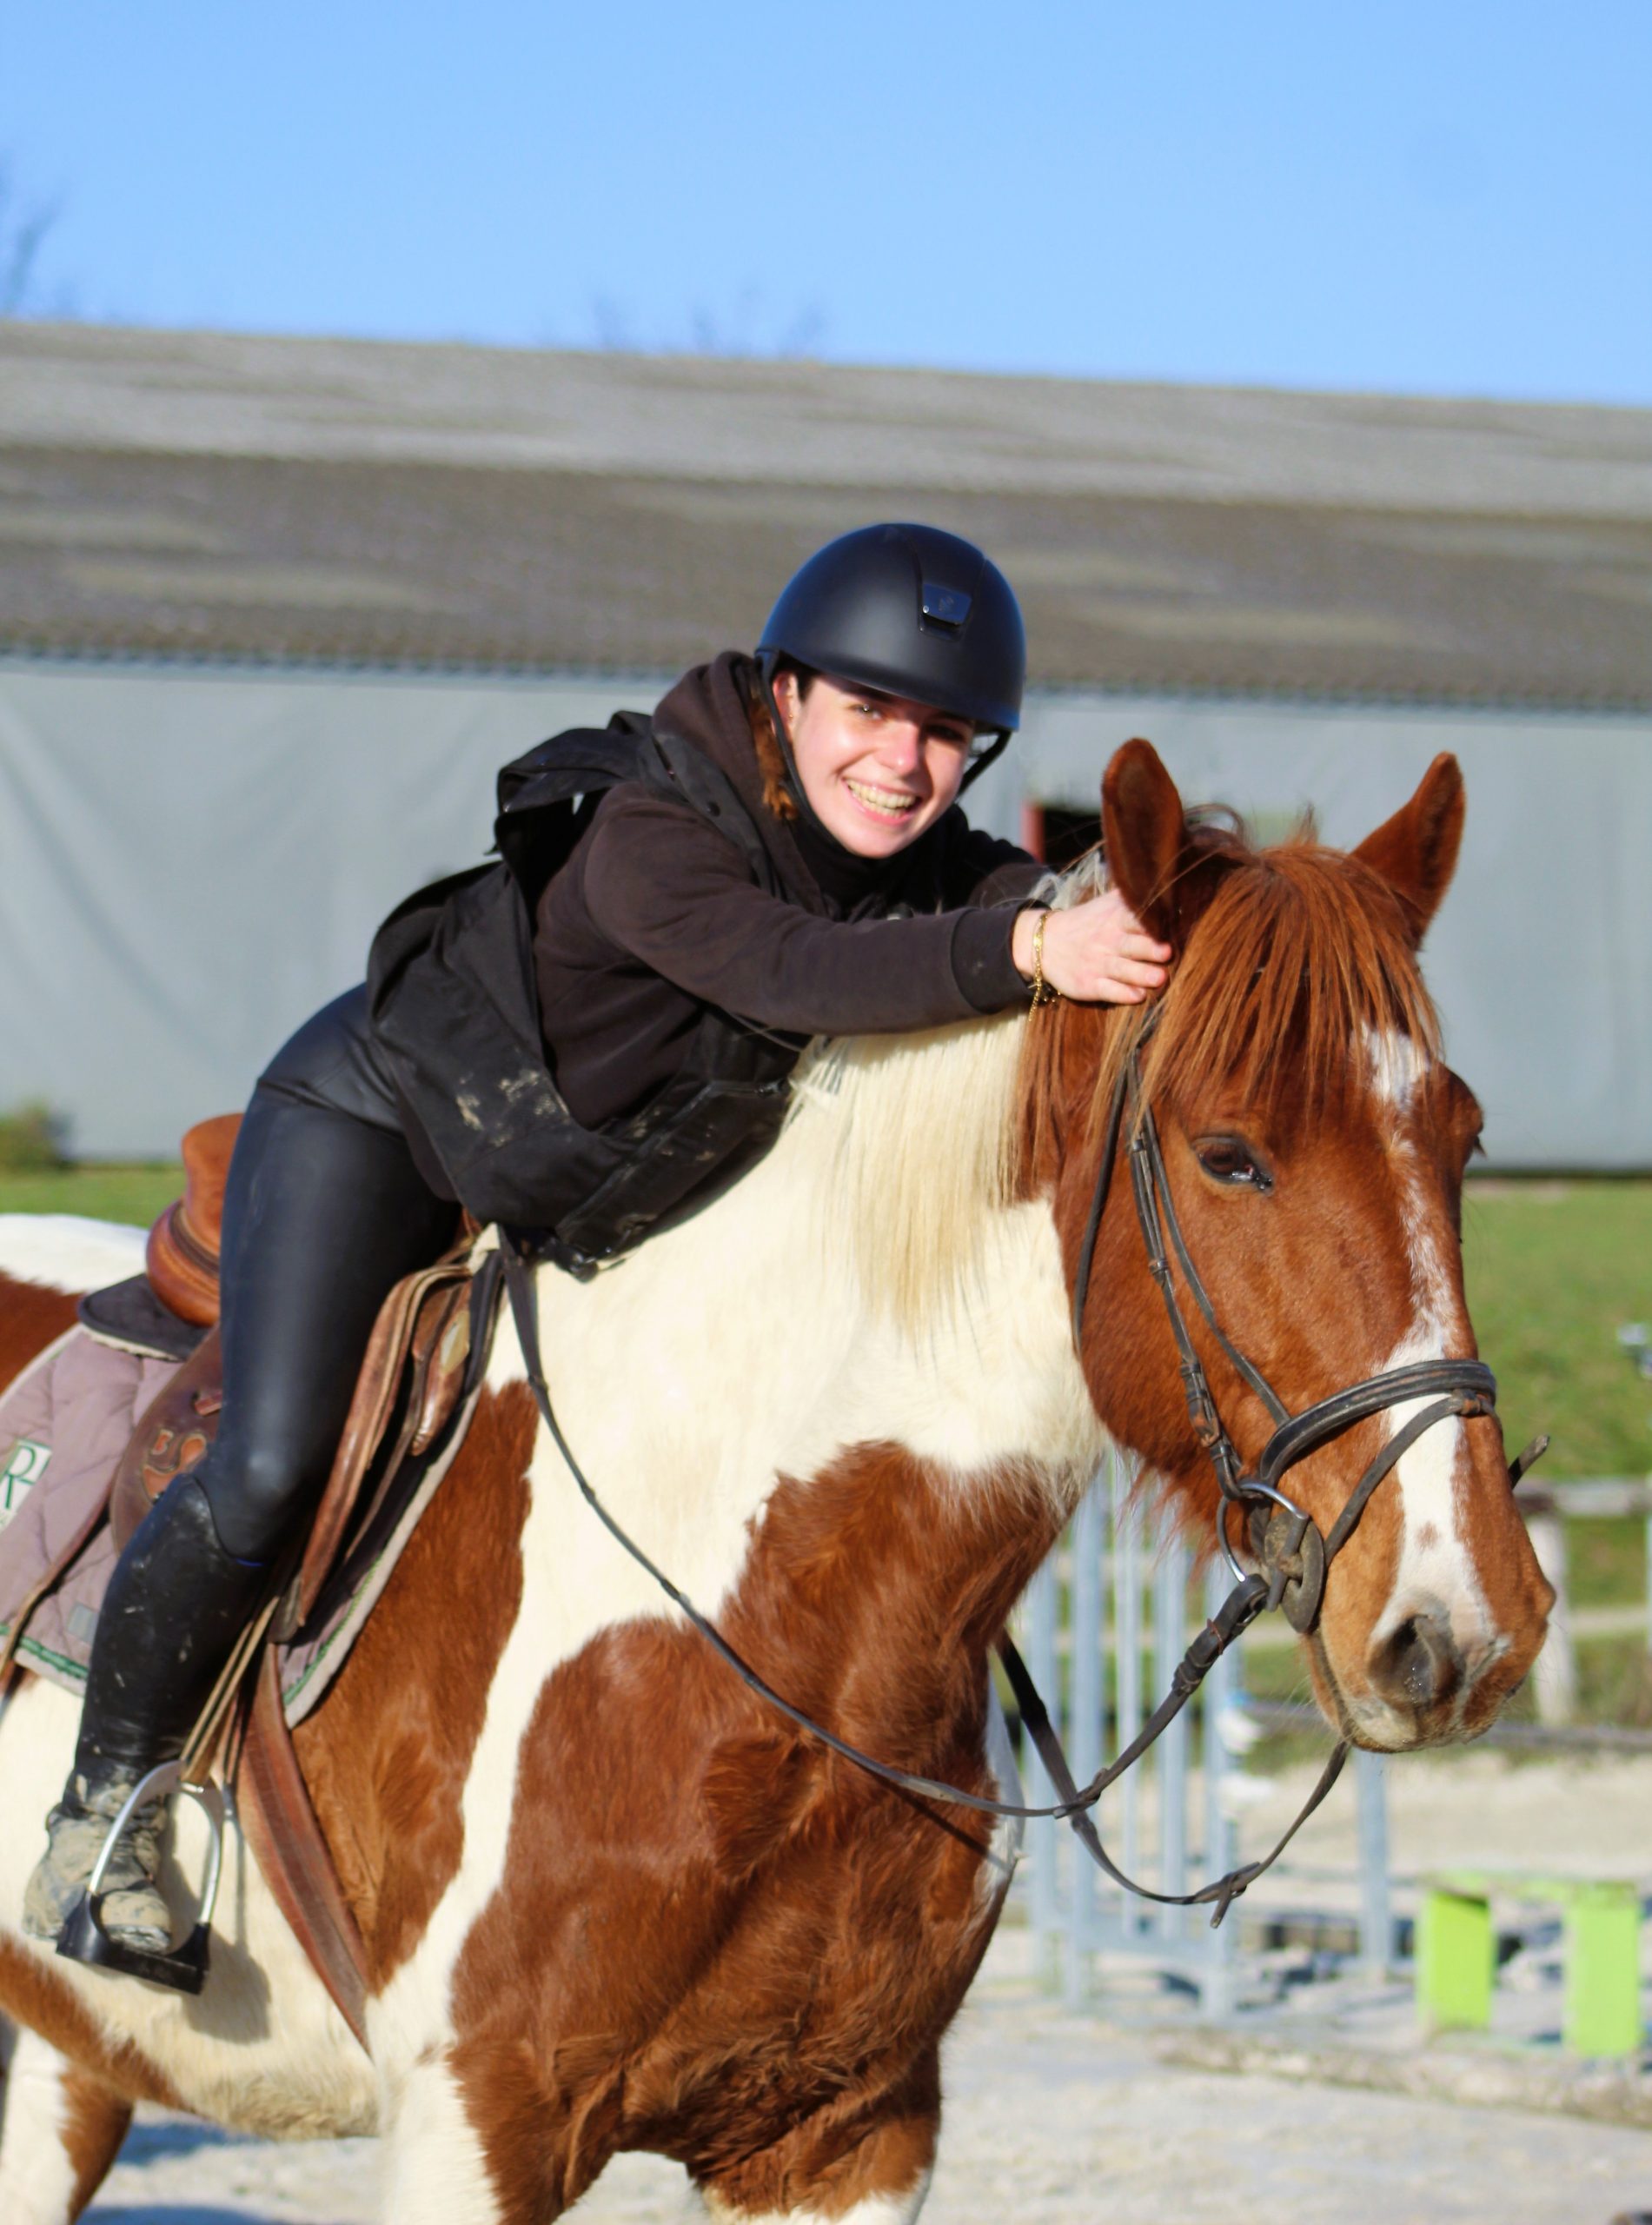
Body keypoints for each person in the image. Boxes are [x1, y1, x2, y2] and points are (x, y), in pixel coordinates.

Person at [23, 522, 1171, 1959]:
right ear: (787, 696)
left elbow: (1018, 898)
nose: (904, 759)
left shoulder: (909, 855)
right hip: (393, 1127)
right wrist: (1020, 955)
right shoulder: (646, 824)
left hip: (590, 1188)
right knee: (263, 1465)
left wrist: (1147, 912)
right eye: (871, 710)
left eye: (947, 733)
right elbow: (790, 970)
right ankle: (102, 1817)